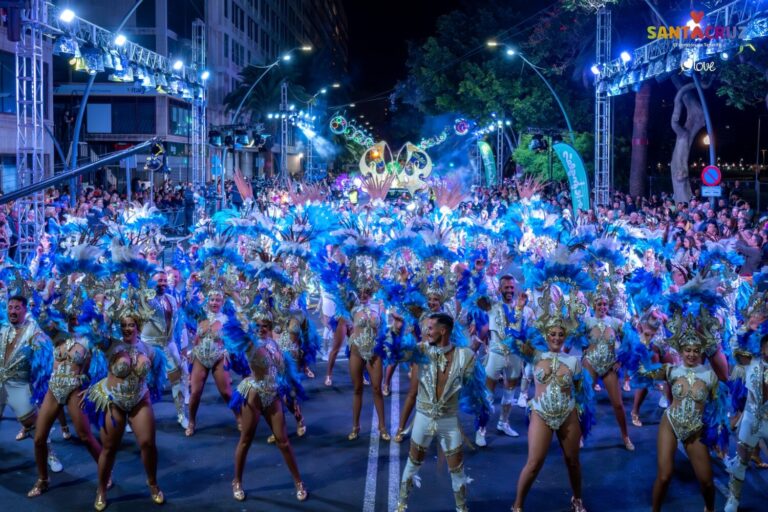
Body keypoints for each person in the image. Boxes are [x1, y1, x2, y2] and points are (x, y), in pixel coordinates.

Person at [509, 288, 591, 512]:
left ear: (565, 337)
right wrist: (518, 309)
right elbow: (512, 339)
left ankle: (577, 500)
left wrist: (582, 421)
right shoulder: (536, 356)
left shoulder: (573, 361)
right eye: (552, 334)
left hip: (568, 414)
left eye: (560, 334)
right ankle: (517, 506)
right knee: (534, 463)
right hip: (541, 413)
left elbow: (580, 394)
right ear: (546, 335)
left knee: (573, 461)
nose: (556, 338)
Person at [395, 313, 486, 512]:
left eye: (430, 328)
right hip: (423, 417)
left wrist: (480, 406)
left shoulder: (465, 356)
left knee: (457, 469)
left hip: (448, 420)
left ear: (443, 330)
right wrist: (398, 330)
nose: (426, 331)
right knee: (412, 462)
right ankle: (401, 504)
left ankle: (462, 508)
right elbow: (396, 353)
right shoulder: (420, 350)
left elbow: (477, 388)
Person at [84, 306, 166, 511]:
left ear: (138, 326)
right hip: (115, 400)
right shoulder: (111, 344)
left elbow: (157, 372)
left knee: (148, 443)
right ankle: (101, 489)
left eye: (131, 325)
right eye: (124, 325)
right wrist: (101, 314)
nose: (127, 329)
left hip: (139, 399)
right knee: (110, 448)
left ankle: (153, 483)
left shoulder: (148, 349)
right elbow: (93, 335)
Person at [227, 306, 307, 503]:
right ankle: (236, 481)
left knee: (284, 441)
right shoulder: (251, 344)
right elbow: (238, 331)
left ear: (270, 326)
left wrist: (292, 398)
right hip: (253, 395)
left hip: (274, 395)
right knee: (246, 440)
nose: (262, 329)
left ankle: (298, 482)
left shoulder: (275, 342)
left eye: (265, 325)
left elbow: (284, 372)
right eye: (258, 326)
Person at [27, 309, 102, 497]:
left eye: (78, 319)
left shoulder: (90, 341)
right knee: (39, 438)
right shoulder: (57, 336)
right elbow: (40, 315)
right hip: (53, 389)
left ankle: (105, 473)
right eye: (71, 318)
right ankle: (43, 480)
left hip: (74, 391)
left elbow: (100, 370)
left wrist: (91, 388)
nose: (74, 322)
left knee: (85, 437)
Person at [0, 294, 62, 475]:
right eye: (10, 307)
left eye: (17, 308)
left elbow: (44, 361)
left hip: (18, 384)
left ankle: (50, 453)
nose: (12, 311)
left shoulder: (34, 332)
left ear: (24, 310)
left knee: (32, 422)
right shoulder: (2, 329)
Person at [476, 275, 532, 445]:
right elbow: (477, 299)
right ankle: (481, 429)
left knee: (509, 393)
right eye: (505, 287)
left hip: (515, 356)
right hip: (495, 355)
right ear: (499, 289)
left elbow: (528, 333)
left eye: (511, 287)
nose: (509, 290)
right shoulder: (492, 306)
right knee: (488, 395)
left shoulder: (525, 309)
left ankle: (503, 422)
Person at [581, 288, 633, 450]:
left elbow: (630, 342)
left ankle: (625, 436)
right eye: (599, 304)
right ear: (593, 305)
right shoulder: (587, 322)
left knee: (618, 404)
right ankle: (581, 434)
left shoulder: (616, 322)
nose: (602, 307)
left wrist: (621, 361)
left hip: (609, 365)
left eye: (605, 304)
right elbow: (576, 340)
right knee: (585, 401)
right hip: (590, 363)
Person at [185, 290, 238, 436]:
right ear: (208, 301)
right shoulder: (200, 316)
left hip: (218, 357)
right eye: (212, 299)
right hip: (200, 357)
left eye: (217, 300)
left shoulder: (226, 319)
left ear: (222, 302)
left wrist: (228, 350)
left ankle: (239, 418)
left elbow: (234, 337)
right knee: (195, 393)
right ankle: (191, 421)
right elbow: (196, 336)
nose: (214, 302)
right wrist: (193, 350)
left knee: (226, 392)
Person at [141, 271, 189, 429]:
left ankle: (181, 414)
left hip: (168, 344)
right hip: (149, 346)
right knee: (144, 383)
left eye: (163, 281)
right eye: (158, 281)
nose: (162, 283)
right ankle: (133, 418)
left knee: (178, 378)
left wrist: (180, 346)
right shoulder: (146, 300)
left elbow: (176, 324)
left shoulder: (171, 299)